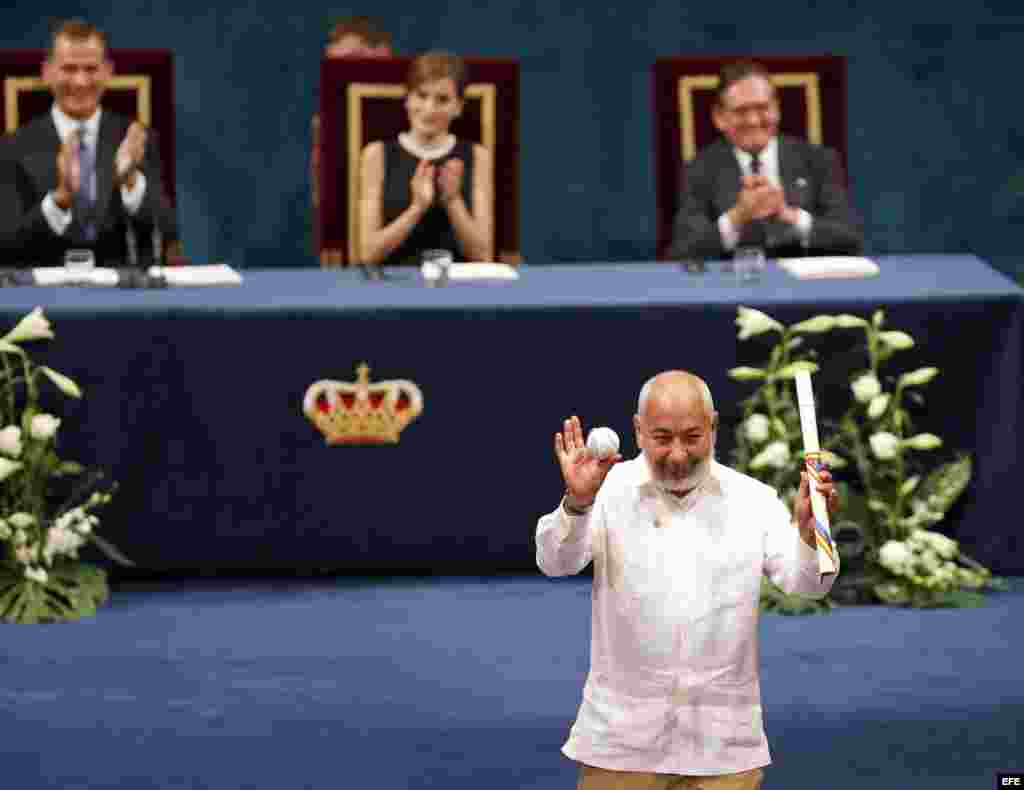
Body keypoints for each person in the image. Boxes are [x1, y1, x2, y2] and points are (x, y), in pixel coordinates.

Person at [536, 371, 839, 789]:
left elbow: (809, 584)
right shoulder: (606, 491)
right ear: (638, 431)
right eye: (662, 438)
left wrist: (809, 534)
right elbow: (555, 561)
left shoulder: (754, 499)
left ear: (714, 427)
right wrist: (577, 503)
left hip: (723, 745)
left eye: (692, 437)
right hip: (621, 742)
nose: (677, 454)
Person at [0, 19, 176, 268]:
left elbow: (168, 231)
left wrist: (131, 181)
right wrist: (59, 200)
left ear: (108, 72)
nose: (80, 81)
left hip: (122, 294)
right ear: (47, 72)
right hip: (43, 293)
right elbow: (5, 244)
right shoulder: (12, 147)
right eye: (69, 69)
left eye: (91, 69)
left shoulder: (135, 140)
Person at [667, 61, 863, 262]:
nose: (753, 120)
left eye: (762, 108)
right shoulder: (698, 170)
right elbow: (683, 252)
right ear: (719, 117)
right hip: (732, 287)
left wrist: (790, 215)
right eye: (741, 111)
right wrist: (737, 217)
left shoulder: (819, 161)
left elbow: (850, 240)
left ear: (777, 110)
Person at [358, 51, 493, 266]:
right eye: (421, 95)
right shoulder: (376, 155)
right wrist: (417, 208)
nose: (429, 109)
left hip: (459, 287)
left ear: (458, 107)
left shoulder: (477, 156)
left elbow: (483, 255)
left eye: (442, 100)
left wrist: (453, 200)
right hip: (393, 286)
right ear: (408, 99)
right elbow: (367, 254)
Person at [311, 16, 394, 234]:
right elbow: (321, 193)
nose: (339, 75)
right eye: (334, 65)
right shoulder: (326, 120)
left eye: (350, 61)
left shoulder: (421, 111)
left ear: (383, 54)